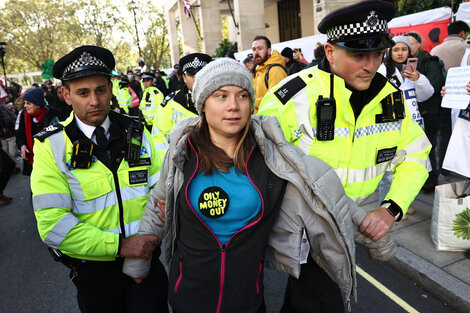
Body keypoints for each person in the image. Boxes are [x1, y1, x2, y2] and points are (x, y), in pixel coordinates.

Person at [123, 58, 394, 313]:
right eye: (222, 96)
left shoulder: (271, 155)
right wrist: (138, 262)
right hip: (188, 299)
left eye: (243, 95)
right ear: (202, 103)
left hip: (248, 301)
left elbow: (324, 194)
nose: (234, 106)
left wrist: (374, 235)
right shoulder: (182, 152)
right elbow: (158, 200)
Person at [258, 1, 431, 312]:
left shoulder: (390, 98)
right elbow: (257, 162)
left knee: (303, 300)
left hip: (356, 224)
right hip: (308, 231)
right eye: (358, 54)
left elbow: (417, 156)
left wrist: (391, 209)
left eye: (377, 54)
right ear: (330, 52)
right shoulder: (292, 97)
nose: (370, 65)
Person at [30, 45, 168, 313]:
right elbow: (53, 224)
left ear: (110, 90)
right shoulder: (51, 145)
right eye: (83, 93)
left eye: (100, 90)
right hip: (96, 275)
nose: (94, 101)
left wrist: (145, 247)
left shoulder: (136, 131)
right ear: (66, 95)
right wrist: (121, 247)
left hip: (147, 261)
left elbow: (162, 192)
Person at [377, 35, 434, 218]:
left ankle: (401, 203)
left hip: (412, 129)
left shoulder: (413, 73)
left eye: (404, 49)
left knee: (408, 168)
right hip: (389, 128)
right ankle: (384, 207)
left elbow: (427, 94)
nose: (400, 53)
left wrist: (418, 79)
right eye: (396, 49)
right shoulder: (382, 71)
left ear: (410, 52)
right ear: (389, 52)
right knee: (387, 171)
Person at [407, 31, 447, 190]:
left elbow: (435, 86)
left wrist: (419, 83)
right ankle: (422, 177)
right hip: (414, 112)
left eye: (412, 43)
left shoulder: (430, 61)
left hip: (430, 112)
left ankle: (432, 179)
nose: (409, 47)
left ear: (419, 44)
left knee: (429, 145)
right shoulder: (407, 62)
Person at [151, 53, 211, 158]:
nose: (197, 79)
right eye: (192, 75)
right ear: (184, 77)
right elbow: (159, 139)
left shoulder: (223, 99)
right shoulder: (171, 104)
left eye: (202, 74)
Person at [16, 88, 60, 176]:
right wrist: (22, 146)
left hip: (51, 159)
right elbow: (20, 134)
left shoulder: (52, 113)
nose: (25, 106)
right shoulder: (24, 115)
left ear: (38, 104)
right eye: (24, 103)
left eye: (28, 103)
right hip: (33, 159)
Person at [252, 35, 287, 113]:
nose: (256, 52)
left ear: (269, 51)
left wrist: (252, 101)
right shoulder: (259, 71)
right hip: (261, 120)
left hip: (272, 122)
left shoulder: (275, 70)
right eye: (254, 49)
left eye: (260, 48)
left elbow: (275, 100)